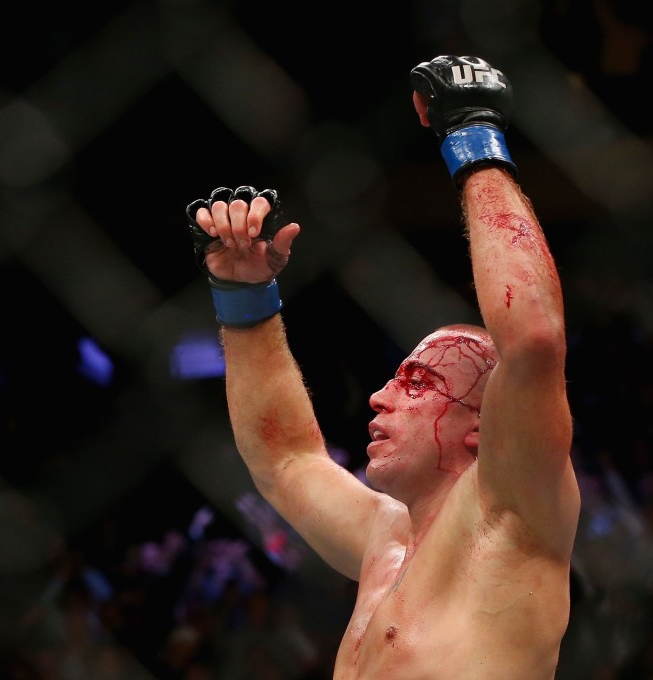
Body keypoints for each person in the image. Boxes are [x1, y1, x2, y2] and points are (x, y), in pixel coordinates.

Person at [184, 55, 580, 678]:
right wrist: (243, 296)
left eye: (419, 383)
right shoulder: (385, 539)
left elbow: (531, 339)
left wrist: (472, 133)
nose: (378, 399)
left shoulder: (511, 509)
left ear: (484, 426)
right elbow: (285, 458)